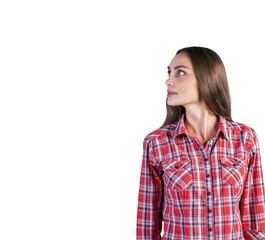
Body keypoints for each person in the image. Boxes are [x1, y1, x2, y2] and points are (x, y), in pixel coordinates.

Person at [136, 46, 265, 240]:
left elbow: (256, 220)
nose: (168, 81)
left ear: (207, 77)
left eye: (180, 73)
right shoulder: (156, 142)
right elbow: (147, 224)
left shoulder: (245, 138)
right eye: (169, 73)